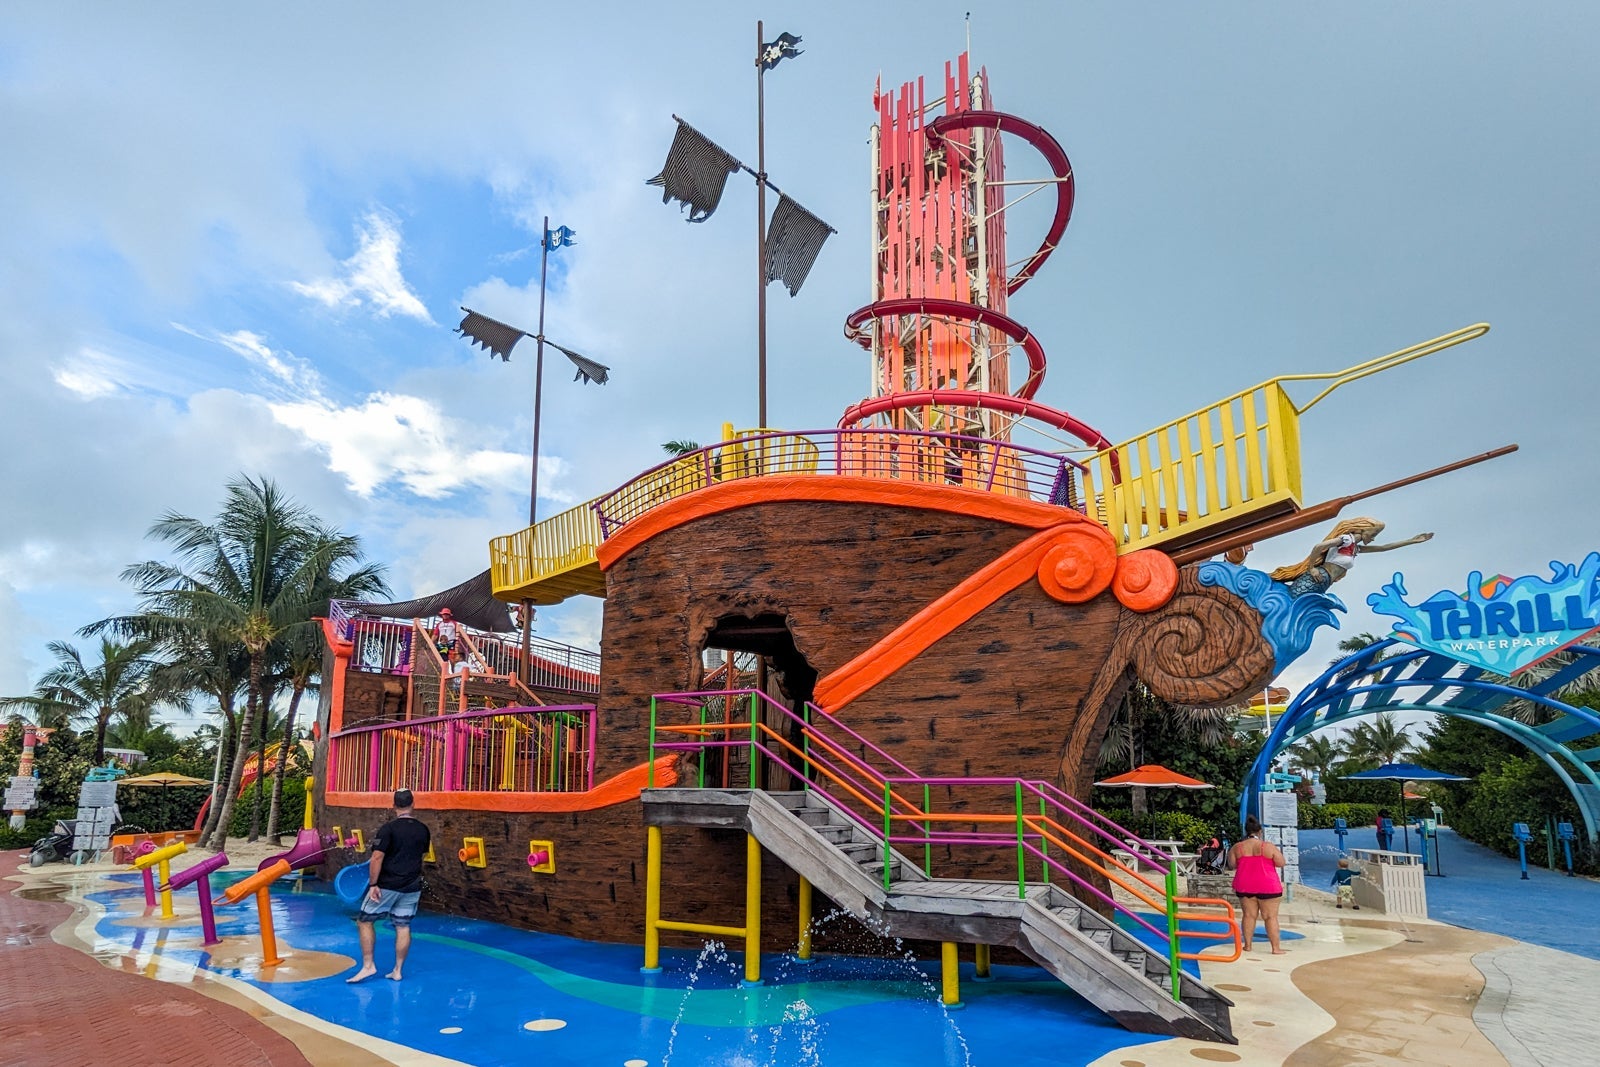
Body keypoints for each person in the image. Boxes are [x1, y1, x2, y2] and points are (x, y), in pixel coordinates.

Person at [347, 789, 431, 984]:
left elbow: (377, 857)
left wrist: (373, 884)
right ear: (413, 804)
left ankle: (368, 966)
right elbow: (422, 856)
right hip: (412, 886)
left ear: (394, 806)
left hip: (387, 885)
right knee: (403, 926)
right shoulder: (423, 829)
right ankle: (398, 970)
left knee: (365, 921)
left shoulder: (388, 829)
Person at [1269, 518, 1433, 598]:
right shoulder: (1346, 539)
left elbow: (1384, 548)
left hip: (1325, 583)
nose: (1374, 538)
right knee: (1291, 601)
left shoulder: (1355, 548)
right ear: (1363, 530)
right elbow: (1318, 547)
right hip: (1317, 577)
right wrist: (1311, 568)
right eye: (1373, 534)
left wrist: (1412, 541)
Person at [1228, 815, 1287, 954]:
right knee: (1270, 917)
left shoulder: (1237, 847)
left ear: (1246, 831)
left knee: (1248, 915)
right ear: (1260, 832)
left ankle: (1248, 945)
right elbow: (1281, 862)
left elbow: (1232, 865)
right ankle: (1275, 948)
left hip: (1245, 884)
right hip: (1268, 886)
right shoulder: (1267, 846)